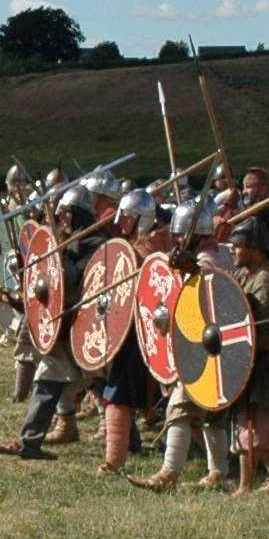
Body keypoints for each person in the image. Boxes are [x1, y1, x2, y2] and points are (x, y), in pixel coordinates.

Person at [146, 196, 239, 490]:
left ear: (193, 235)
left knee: (179, 408)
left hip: (206, 346)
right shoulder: (223, 252)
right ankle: (219, 473)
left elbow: (211, 303)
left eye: (178, 233)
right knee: (212, 414)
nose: (175, 239)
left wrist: (194, 272)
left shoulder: (208, 261)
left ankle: (168, 474)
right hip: (221, 348)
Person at [16, 183, 96, 459]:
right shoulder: (70, 242)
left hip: (89, 330)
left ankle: (29, 441)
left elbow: (83, 281)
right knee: (54, 379)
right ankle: (31, 440)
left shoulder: (97, 244)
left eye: (66, 212)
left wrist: (62, 260)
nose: (61, 217)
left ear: (79, 215)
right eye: (59, 212)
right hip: (64, 328)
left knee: (104, 386)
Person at [97, 189, 164, 477]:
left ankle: (115, 460)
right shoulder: (133, 246)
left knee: (123, 393)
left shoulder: (152, 250)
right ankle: (115, 457)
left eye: (127, 216)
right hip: (130, 334)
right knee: (118, 392)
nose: (121, 221)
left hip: (147, 335)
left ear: (143, 219)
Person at [227, 217, 269, 493]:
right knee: (245, 424)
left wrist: (239, 345)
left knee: (257, 430)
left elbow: (265, 334)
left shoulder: (264, 278)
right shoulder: (246, 274)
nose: (232, 250)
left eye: (237, 246)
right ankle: (253, 484)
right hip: (249, 361)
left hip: (265, 362)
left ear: (254, 248)